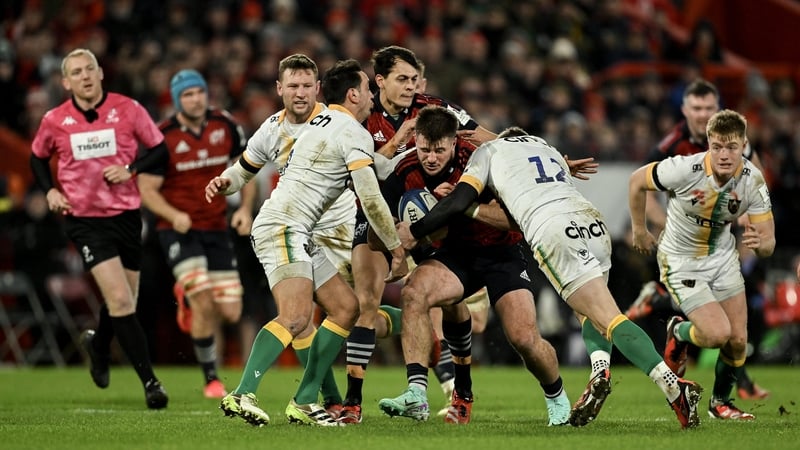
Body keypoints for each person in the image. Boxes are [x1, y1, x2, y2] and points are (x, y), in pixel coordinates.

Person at [396, 127, 704, 429]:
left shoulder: (489, 152)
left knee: (608, 318)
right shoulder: (546, 148)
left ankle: (674, 388)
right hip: (592, 223)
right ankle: (600, 370)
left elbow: (460, 200)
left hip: (553, 229)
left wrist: (416, 230)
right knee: (591, 313)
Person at [206, 58, 408, 426]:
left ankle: (305, 399)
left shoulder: (320, 123)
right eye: (368, 89)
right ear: (353, 94)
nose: (372, 97)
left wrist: (407, 148)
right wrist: (395, 247)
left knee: (346, 308)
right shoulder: (350, 131)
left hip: (302, 229)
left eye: (306, 85)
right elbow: (371, 196)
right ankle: (242, 393)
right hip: (285, 225)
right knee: (297, 316)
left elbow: (374, 167)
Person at [375, 105, 572, 426]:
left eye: (440, 150)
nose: (432, 158)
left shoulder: (486, 160)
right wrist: (395, 251)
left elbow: (514, 220)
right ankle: (417, 394)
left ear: (454, 143)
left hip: (500, 253)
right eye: (425, 149)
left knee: (523, 338)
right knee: (414, 292)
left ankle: (556, 396)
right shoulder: (405, 169)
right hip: (454, 255)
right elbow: (383, 221)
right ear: (417, 141)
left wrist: (461, 205)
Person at [343, 45, 496, 424]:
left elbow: (484, 138)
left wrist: (538, 152)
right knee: (365, 304)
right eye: (402, 79)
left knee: (450, 301)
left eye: (414, 79)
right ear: (379, 81)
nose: (411, 86)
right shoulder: (360, 115)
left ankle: (459, 385)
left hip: (430, 219)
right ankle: (352, 404)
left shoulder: (433, 108)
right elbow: (366, 171)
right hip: (375, 215)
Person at [29, 48, 168, 409]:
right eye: (76, 72)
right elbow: (37, 156)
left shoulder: (129, 109)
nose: (85, 76)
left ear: (101, 72)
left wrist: (131, 170)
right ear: (66, 81)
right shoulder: (55, 119)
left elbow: (159, 149)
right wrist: (49, 190)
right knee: (121, 300)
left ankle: (98, 343)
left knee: (124, 300)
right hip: (85, 220)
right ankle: (151, 383)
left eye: (89, 68)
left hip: (125, 216)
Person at [624, 79, 769, 401]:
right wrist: (657, 225)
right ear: (685, 110)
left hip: (720, 242)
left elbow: (757, 184)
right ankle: (666, 305)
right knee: (715, 325)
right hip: (681, 241)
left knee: (733, 326)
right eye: (697, 108)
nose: (703, 114)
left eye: (709, 108)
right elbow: (641, 185)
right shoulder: (672, 146)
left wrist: (750, 217)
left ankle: (732, 388)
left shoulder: (734, 141)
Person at [137, 69, 251, 399]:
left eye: (199, 92)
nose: (195, 99)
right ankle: (211, 379)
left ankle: (189, 303)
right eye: (187, 95)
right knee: (203, 299)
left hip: (216, 227)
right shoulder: (163, 136)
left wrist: (244, 209)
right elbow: (146, 188)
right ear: (177, 101)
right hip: (178, 231)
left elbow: (248, 168)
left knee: (231, 311)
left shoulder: (225, 124)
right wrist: (174, 215)